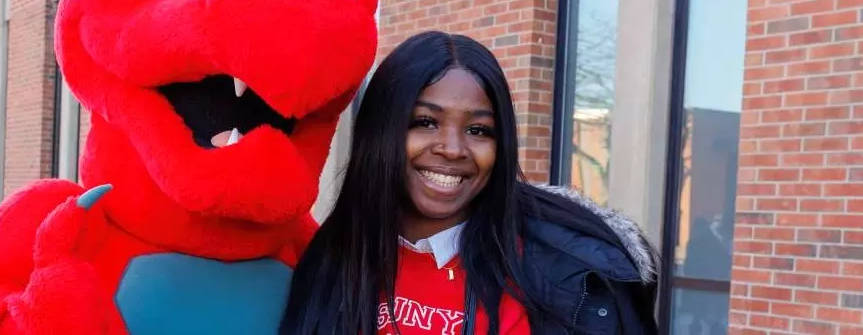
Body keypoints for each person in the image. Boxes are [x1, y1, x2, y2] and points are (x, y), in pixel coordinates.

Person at [281, 31, 660, 335]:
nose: (452, 148)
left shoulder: (572, 279)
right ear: (381, 131)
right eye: (426, 122)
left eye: (479, 130)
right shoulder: (327, 260)